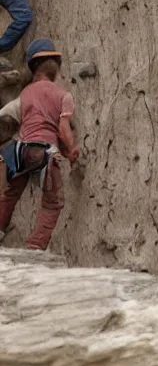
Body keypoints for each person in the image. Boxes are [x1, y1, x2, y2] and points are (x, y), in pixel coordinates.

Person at [0, 39, 80, 250]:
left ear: (33, 67)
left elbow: (5, 115)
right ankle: (34, 247)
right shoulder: (64, 96)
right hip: (45, 154)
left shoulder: (25, 94)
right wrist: (71, 152)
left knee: (10, 195)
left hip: (20, 150)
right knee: (52, 204)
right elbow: (63, 129)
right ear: (57, 66)